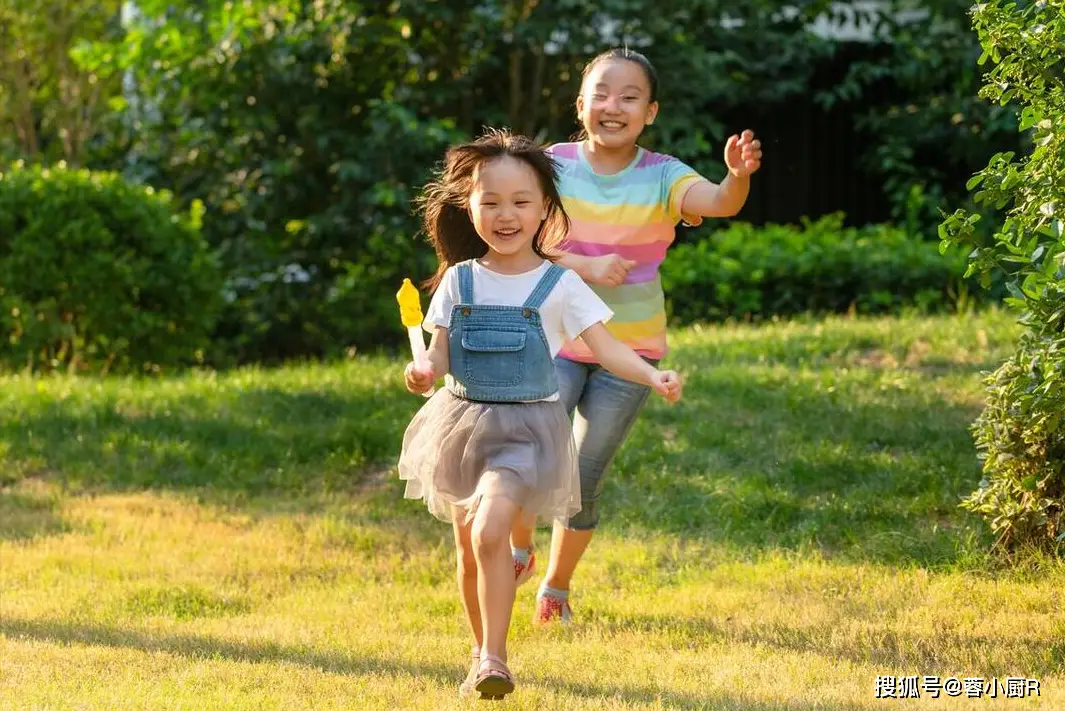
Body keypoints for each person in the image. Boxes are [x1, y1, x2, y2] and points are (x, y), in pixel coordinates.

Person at [397, 128, 683, 699]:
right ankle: (480, 652)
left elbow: (605, 347)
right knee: (469, 547)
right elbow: (438, 353)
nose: (506, 215)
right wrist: (424, 370)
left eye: (521, 202)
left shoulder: (559, 284)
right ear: (469, 207)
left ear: (546, 210)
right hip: (460, 426)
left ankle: (496, 660)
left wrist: (652, 374)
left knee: (491, 528)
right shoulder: (459, 280)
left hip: (525, 432)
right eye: (491, 202)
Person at [508, 48, 763, 624]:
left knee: (582, 473)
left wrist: (737, 176)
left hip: (633, 349)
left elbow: (720, 202)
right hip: (559, 337)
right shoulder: (551, 164)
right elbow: (516, 236)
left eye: (628, 97)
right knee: (528, 453)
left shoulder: (664, 174)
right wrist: (584, 267)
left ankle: (556, 588)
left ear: (650, 112)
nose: (613, 106)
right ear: (580, 106)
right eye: (601, 94)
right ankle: (520, 547)